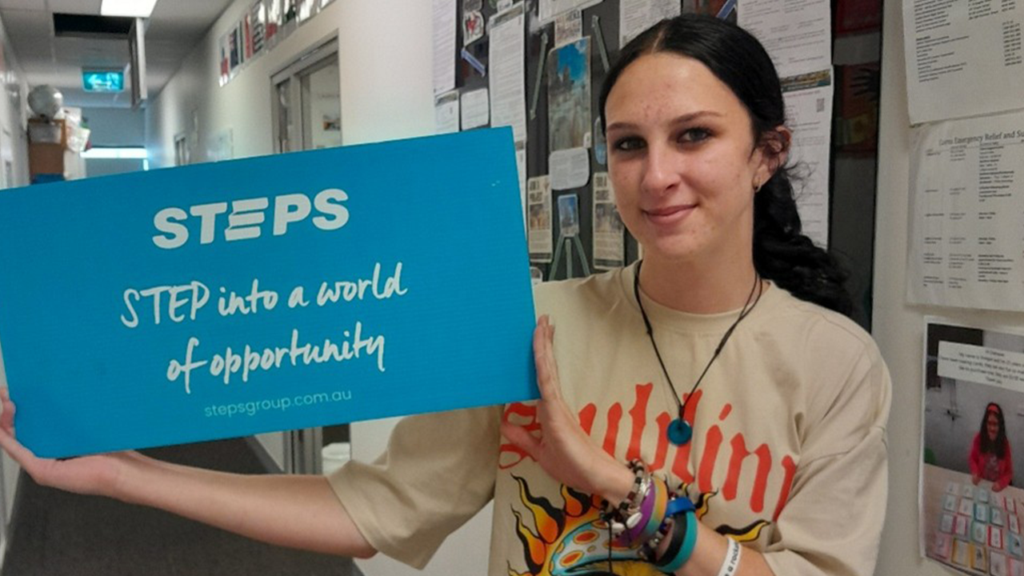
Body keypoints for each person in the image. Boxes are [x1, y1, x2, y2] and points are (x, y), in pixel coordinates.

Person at [0, 14, 891, 576]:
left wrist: (611, 482)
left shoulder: (835, 364)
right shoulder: (534, 326)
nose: (656, 175)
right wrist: (127, 474)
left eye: (693, 136)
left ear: (767, 152)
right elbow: (372, 509)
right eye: (628, 144)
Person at [970, 402, 1013, 491]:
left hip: (997, 487)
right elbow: (972, 458)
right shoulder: (979, 438)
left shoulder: (1005, 444)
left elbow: (1009, 472)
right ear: (985, 424)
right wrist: (975, 472)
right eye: (989, 423)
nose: (992, 428)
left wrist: (1001, 483)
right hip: (982, 483)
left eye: (995, 424)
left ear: (1000, 426)